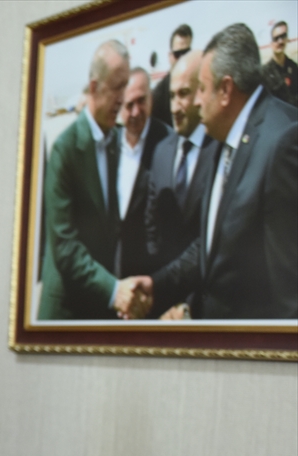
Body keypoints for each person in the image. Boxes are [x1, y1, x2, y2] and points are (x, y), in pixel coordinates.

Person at [145, 23, 298, 319]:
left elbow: (290, 289)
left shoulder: (282, 143)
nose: (196, 101)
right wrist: (156, 286)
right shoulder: (224, 139)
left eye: (202, 89)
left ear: (226, 90)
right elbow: (214, 244)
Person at [39, 40, 150, 320]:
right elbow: (64, 247)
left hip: (99, 308)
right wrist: (113, 290)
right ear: (94, 87)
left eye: (125, 87)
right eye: (116, 88)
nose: (122, 98)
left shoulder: (113, 143)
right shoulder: (65, 150)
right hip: (66, 312)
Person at [142, 50, 218, 318]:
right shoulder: (162, 151)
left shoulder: (220, 150)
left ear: (202, 91)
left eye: (184, 94)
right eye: (172, 96)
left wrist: (188, 303)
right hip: (164, 301)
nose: (175, 107)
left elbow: (216, 242)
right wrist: (164, 298)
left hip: (205, 303)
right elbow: (151, 229)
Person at [113, 67, 171, 278]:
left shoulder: (167, 143)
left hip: (151, 273)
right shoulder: (109, 143)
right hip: (113, 272)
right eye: (129, 105)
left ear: (151, 99)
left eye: (141, 101)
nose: (136, 112)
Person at [151, 24, 193, 129]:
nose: (182, 58)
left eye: (186, 53)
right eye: (178, 54)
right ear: (170, 56)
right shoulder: (158, 96)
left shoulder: (198, 86)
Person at [263, 21, 298, 108]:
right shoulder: (265, 73)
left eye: (283, 36)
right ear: (271, 43)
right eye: (276, 38)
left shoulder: (294, 68)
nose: (280, 41)